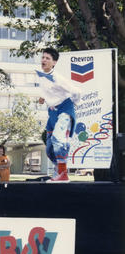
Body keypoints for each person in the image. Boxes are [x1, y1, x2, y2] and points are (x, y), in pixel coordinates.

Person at [37, 47, 80, 183]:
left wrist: (74, 103)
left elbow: (76, 91)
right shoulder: (42, 76)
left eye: (47, 58)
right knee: (49, 149)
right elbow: (49, 91)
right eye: (43, 57)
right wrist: (43, 98)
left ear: (54, 62)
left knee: (58, 139)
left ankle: (63, 173)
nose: (43, 60)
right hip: (52, 114)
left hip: (64, 111)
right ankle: (58, 171)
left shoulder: (57, 78)